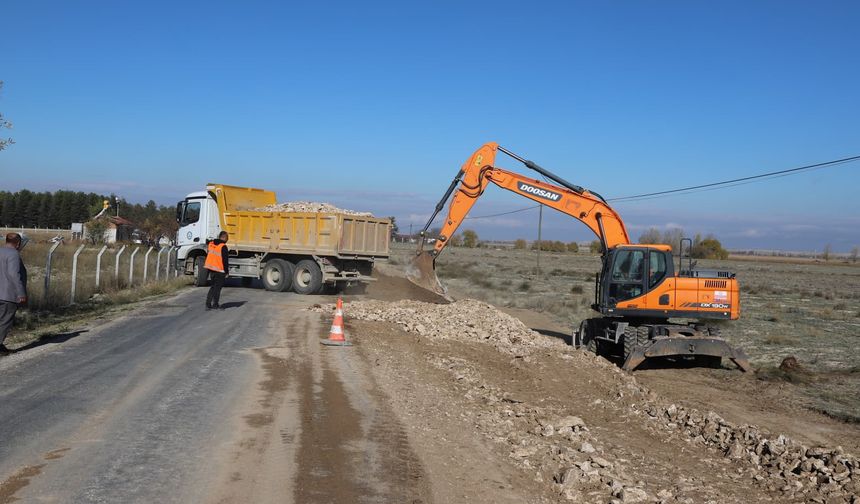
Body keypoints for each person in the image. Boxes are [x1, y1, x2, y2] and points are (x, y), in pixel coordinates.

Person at [0, 233, 28, 356]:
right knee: (5, 321)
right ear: (18, 243)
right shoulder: (14, 254)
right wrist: (21, 293)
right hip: (8, 294)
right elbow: (14, 274)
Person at [204, 231, 230, 310]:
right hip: (219, 270)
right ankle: (215, 304)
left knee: (212, 287)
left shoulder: (211, 244)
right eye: (227, 238)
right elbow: (225, 261)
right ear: (224, 238)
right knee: (217, 288)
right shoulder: (223, 247)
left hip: (211, 269)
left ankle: (208, 304)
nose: (227, 240)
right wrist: (226, 271)